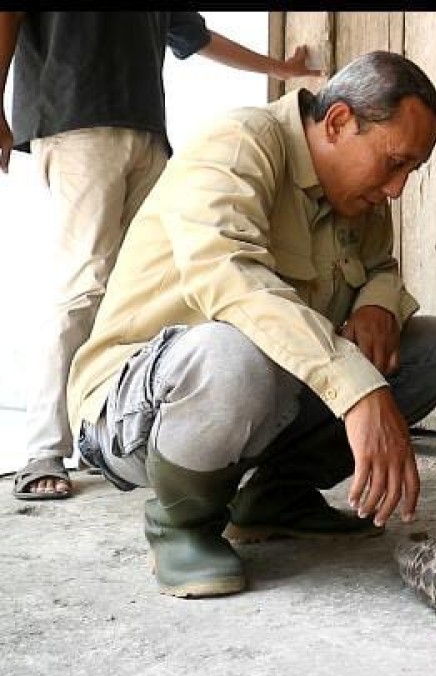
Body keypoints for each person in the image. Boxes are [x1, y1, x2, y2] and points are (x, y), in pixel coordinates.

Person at [65, 50, 436, 598]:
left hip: (262, 400)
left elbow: (380, 268)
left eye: (411, 170)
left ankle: (274, 498)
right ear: (338, 122)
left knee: (434, 347)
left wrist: (377, 305)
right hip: (133, 409)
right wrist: (357, 389)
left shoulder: (363, 199)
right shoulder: (238, 143)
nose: (397, 188)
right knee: (234, 351)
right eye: (394, 162)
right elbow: (230, 278)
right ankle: (181, 524)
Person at [0, 11, 322, 500]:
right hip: (77, 120)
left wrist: (278, 68)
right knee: (85, 283)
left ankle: (110, 430)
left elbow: (194, 35)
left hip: (148, 132)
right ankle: (45, 448)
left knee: (151, 285)